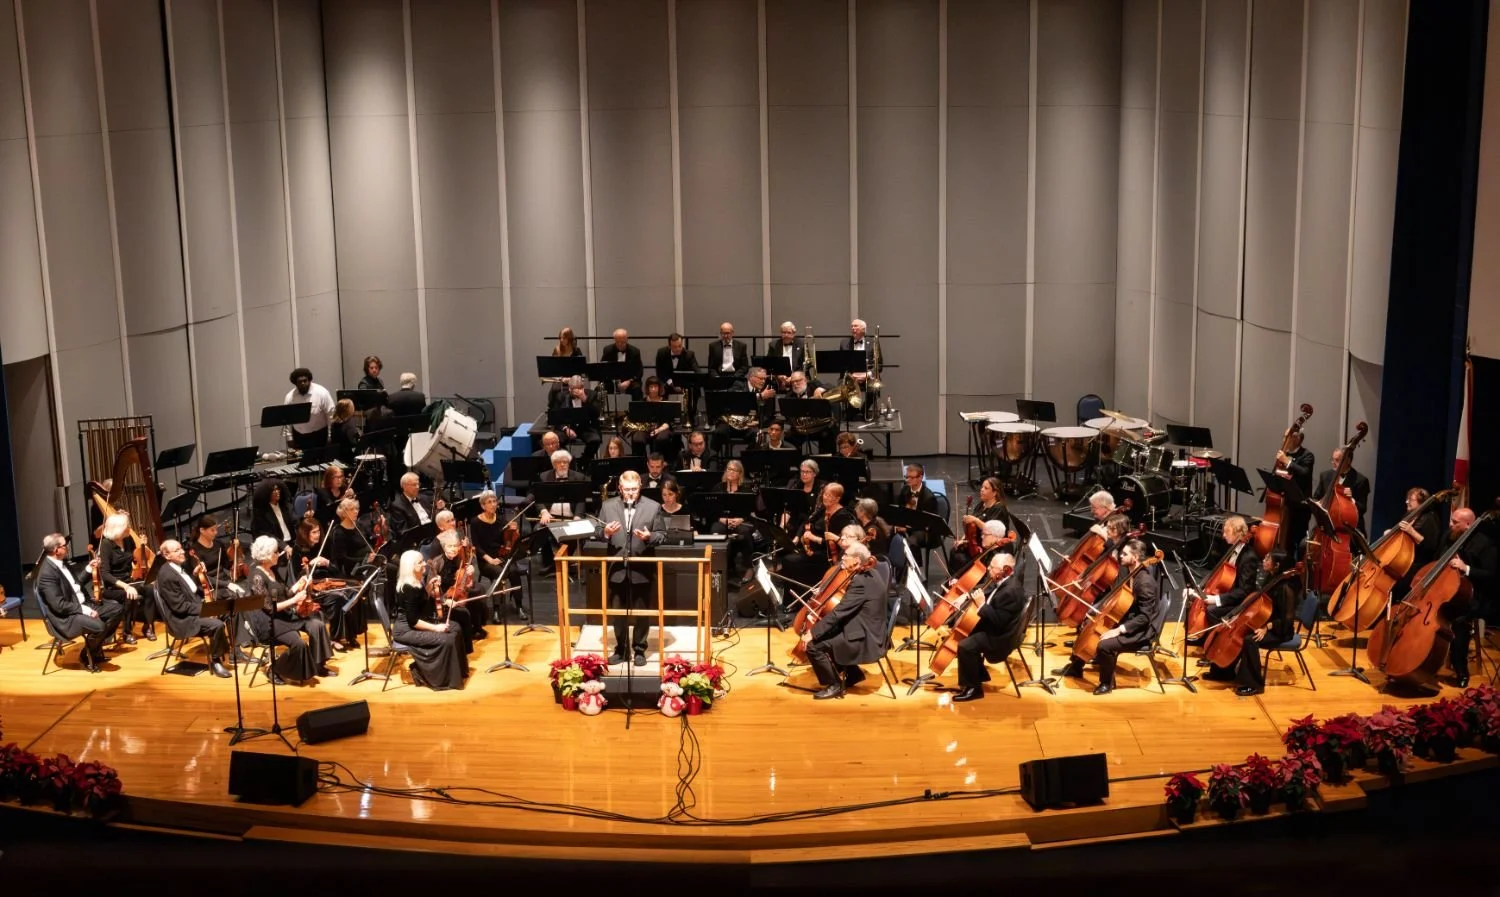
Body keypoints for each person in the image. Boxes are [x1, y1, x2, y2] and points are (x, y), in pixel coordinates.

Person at [1053, 539, 1161, 695]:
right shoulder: (1132, 572)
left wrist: (1118, 630)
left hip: (1140, 630)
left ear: (1136, 557)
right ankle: (1076, 667)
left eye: (1125, 554)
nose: (1121, 556)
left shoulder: (1144, 583)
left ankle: (1107, 683)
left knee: (1104, 645)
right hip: (1128, 617)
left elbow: (1144, 617)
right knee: (1087, 626)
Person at [594, 470, 667, 666]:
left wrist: (649, 537)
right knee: (618, 612)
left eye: (634, 489)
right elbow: (597, 530)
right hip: (616, 567)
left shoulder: (653, 507)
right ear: (619, 488)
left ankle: (640, 649)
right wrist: (606, 533)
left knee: (642, 612)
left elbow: (662, 534)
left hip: (642, 566)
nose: (631, 494)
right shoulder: (608, 506)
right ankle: (621, 649)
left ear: (640, 488)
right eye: (627, 490)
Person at [802, 543, 889, 699]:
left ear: (856, 560)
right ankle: (854, 674)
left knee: (813, 646)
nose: (842, 557)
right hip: (873, 632)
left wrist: (813, 633)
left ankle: (834, 685)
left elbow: (839, 612)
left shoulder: (860, 582)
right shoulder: (873, 573)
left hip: (865, 639)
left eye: (846, 555)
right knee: (831, 631)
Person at [247, 535, 333, 685]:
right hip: (269, 622)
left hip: (284, 615)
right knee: (299, 644)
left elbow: (285, 592)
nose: (278, 553)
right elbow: (269, 608)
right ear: (266, 555)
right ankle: (274, 669)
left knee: (317, 625)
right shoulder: (257, 577)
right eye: (275, 552)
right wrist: (294, 600)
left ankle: (319, 665)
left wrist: (298, 585)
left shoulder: (272, 571)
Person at [35, 533, 123, 671]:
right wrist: (86, 610)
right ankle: (88, 656)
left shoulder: (62, 563)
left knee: (117, 609)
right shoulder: (47, 574)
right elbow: (59, 606)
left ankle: (92, 651)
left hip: (81, 604)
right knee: (99, 626)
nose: (68, 548)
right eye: (65, 546)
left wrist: (89, 568)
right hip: (66, 617)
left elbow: (76, 584)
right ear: (57, 550)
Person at [952, 552, 1028, 702]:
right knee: (966, 630)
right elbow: (988, 589)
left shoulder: (1011, 592)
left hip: (1001, 637)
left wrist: (981, 604)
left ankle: (974, 688)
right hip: (997, 628)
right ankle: (977, 675)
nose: (988, 569)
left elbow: (999, 621)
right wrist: (967, 595)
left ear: (1005, 570)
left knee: (965, 646)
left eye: (992, 567)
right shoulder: (1004, 582)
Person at [155, 540, 232, 678]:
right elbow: (180, 607)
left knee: (228, 610)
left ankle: (234, 651)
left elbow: (191, 590)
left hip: (192, 609)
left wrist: (195, 575)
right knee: (217, 625)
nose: (182, 552)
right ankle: (216, 661)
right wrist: (207, 609)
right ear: (167, 555)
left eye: (181, 549)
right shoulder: (167, 575)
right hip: (182, 620)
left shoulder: (177, 568)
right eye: (177, 550)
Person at [393, 550, 469, 690]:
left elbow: (421, 600)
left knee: (456, 628)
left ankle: (460, 672)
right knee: (447, 639)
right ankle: (440, 678)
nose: (424, 564)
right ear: (410, 567)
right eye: (420, 562)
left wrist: (430, 586)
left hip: (415, 623)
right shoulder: (408, 588)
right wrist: (436, 628)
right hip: (406, 630)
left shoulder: (417, 581)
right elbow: (413, 621)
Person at [1186, 515, 1261, 648]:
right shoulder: (1232, 549)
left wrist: (1216, 599)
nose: (1223, 535)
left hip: (1240, 601)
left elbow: (1244, 591)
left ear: (1238, 533)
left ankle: (1217, 645)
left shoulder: (1249, 558)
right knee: (1196, 600)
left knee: (1212, 610)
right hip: (1229, 593)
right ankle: (1204, 638)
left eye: (1227, 532)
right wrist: (1203, 588)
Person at [1444, 507, 1498, 688]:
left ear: (1468, 524)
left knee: (1459, 622)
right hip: (1449, 591)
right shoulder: (1452, 538)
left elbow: (1491, 575)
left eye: (1455, 522)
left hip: (1475, 596)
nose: (1450, 525)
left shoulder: (1486, 544)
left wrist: (1465, 568)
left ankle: (1461, 670)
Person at [97, 512, 157, 644]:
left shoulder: (127, 540)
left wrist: (143, 546)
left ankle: (147, 626)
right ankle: (127, 631)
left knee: (149, 589)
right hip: (114, 586)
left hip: (129, 580)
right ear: (118, 528)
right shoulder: (106, 545)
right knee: (129, 595)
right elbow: (105, 574)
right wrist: (125, 586)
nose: (129, 528)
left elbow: (136, 558)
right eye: (127, 526)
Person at [469, 490, 527, 622]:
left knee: (514, 571)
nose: (493, 504)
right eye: (489, 502)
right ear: (483, 506)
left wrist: (513, 532)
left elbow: (508, 542)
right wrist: (489, 559)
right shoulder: (475, 522)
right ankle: (496, 609)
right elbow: (476, 546)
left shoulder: (501, 521)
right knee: (499, 573)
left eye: (495, 501)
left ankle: (519, 605)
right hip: (486, 560)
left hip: (502, 556)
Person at [532, 449, 590, 573]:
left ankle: (563, 563)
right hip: (551, 517)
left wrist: (578, 516)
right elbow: (538, 498)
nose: (562, 464)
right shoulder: (544, 476)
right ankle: (550, 562)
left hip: (571, 517)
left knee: (578, 532)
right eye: (559, 462)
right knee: (538, 530)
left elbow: (581, 500)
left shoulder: (578, 477)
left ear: (569, 463)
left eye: (565, 462)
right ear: (554, 464)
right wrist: (543, 511)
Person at [428, 530, 484, 646]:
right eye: (450, 546)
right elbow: (430, 590)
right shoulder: (436, 563)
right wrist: (445, 600)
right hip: (443, 598)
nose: (453, 549)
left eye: (455, 546)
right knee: (464, 613)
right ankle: (466, 646)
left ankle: (476, 629)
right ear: (444, 547)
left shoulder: (460, 559)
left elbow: (464, 579)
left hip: (457, 592)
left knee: (477, 592)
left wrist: (470, 572)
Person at [952, 477, 1015, 570]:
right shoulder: (981, 505)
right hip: (975, 544)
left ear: (995, 493)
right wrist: (963, 540)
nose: (982, 490)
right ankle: (954, 581)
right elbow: (971, 529)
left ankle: (970, 581)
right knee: (955, 551)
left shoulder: (999, 509)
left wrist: (976, 520)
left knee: (960, 558)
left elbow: (991, 530)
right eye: (982, 487)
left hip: (989, 548)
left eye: (986, 488)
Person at [1272, 429, 1316, 557]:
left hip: (1300, 506)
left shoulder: (1307, 455)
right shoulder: (1285, 454)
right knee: (1286, 542)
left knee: (1297, 540)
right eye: (1284, 436)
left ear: (1298, 439)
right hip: (1286, 504)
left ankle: (1297, 570)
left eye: (1287, 437)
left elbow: (1304, 473)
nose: (1284, 440)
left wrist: (1287, 462)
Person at [712, 460, 757, 576]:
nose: (731, 472)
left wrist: (740, 520)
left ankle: (748, 567)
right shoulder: (718, 488)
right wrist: (723, 520)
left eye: (734, 470)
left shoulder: (745, 490)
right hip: (722, 521)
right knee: (715, 530)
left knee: (745, 533)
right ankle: (720, 566)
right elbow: (712, 510)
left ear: (740, 474)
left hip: (740, 521)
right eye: (729, 469)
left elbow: (749, 510)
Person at [1312, 447, 1371, 533]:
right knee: (1304, 544)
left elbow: (1362, 509)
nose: (1333, 463)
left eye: (1337, 460)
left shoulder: (1361, 480)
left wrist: (1352, 500)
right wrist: (1318, 504)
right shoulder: (1325, 475)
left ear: (1348, 461)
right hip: (1327, 525)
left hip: (1348, 528)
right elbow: (1316, 497)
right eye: (1332, 459)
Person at [549, 375, 604, 462]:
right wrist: (566, 428)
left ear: (582, 388)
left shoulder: (592, 395)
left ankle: (585, 462)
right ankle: (570, 461)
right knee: (556, 441)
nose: (576, 391)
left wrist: (585, 399)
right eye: (574, 389)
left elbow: (596, 414)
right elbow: (555, 417)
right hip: (567, 428)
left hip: (586, 427)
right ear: (569, 389)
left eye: (579, 388)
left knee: (595, 440)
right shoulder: (561, 396)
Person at [283, 368, 335, 451]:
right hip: (299, 437)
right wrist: (289, 437)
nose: (303, 383)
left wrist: (330, 436)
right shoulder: (289, 397)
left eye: (305, 380)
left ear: (309, 380)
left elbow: (331, 415)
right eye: (300, 381)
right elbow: (287, 419)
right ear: (295, 383)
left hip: (319, 435)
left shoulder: (322, 393)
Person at [389, 471, 439, 536]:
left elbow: (432, 516)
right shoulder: (397, 506)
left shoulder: (423, 498)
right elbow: (403, 531)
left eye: (418, 484)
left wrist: (439, 508)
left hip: (433, 531)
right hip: (419, 537)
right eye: (414, 485)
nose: (417, 487)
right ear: (404, 486)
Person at [601, 328, 644, 399]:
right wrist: (615, 382)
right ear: (614, 340)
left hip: (629, 381)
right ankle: (604, 410)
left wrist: (629, 381)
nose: (620, 344)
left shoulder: (635, 351)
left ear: (627, 339)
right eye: (618, 342)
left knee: (637, 389)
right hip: (612, 382)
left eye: (623, 342)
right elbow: (603, 368)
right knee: (599, 390)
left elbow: (639, 371)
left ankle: (635, 410)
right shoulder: (607, 350)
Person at [251, 478, 295, 544]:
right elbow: (267, 534)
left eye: (278, 489)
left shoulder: (285, 506)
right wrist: (284, 546)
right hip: (276, 545)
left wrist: (305, 517)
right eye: (274, 490)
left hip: (292, 542)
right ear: (267, 493)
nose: (277, 491)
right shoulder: (261, 513)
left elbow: (295, 520)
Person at [329, 398, 360, 464]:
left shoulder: (334, 424)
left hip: (337, 458)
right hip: (348, 459)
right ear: (349, 410)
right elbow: (354, 443)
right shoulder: (349, 425)